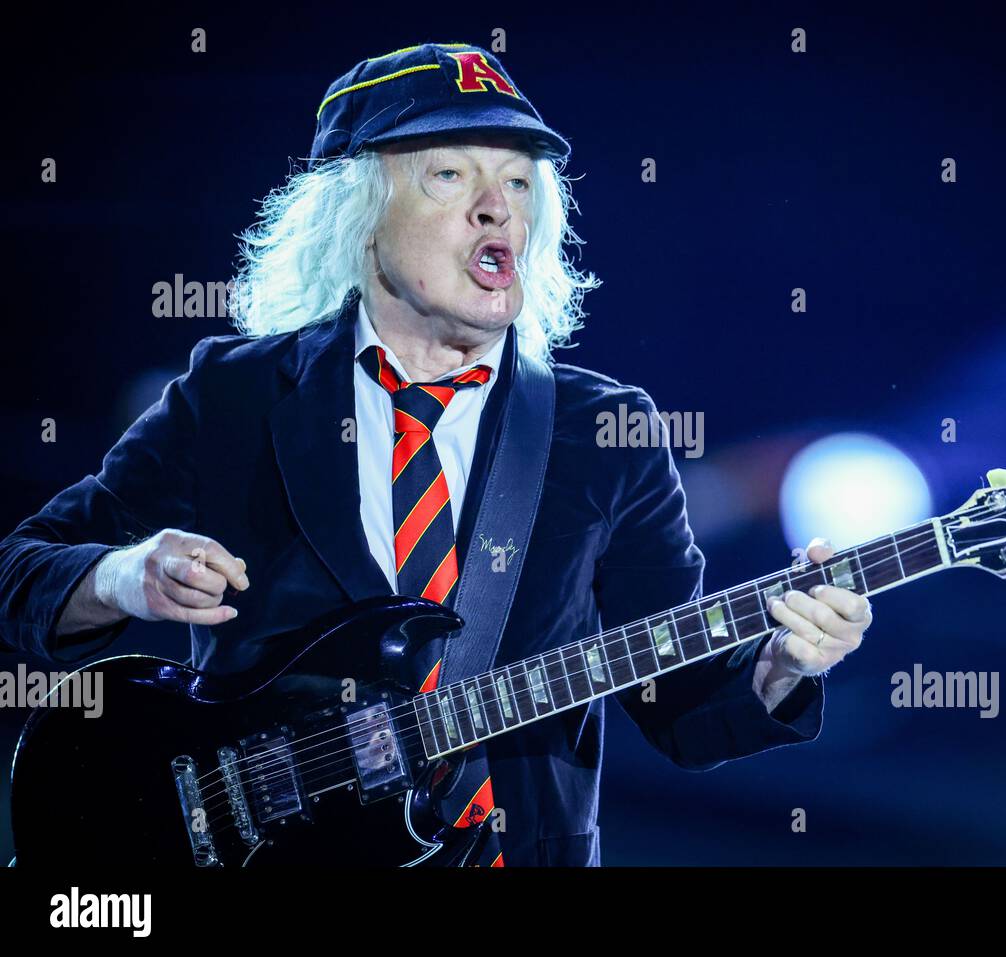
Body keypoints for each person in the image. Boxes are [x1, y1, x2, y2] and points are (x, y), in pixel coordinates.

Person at [0, 42, 871, 866]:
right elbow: (18, 574)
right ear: (361, 215)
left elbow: (681, 714)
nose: (497, 206)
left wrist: (781, 665)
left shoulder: (606, 431)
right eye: (450, 174)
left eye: (519, 182)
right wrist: (124, 574)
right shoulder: (236, 394)